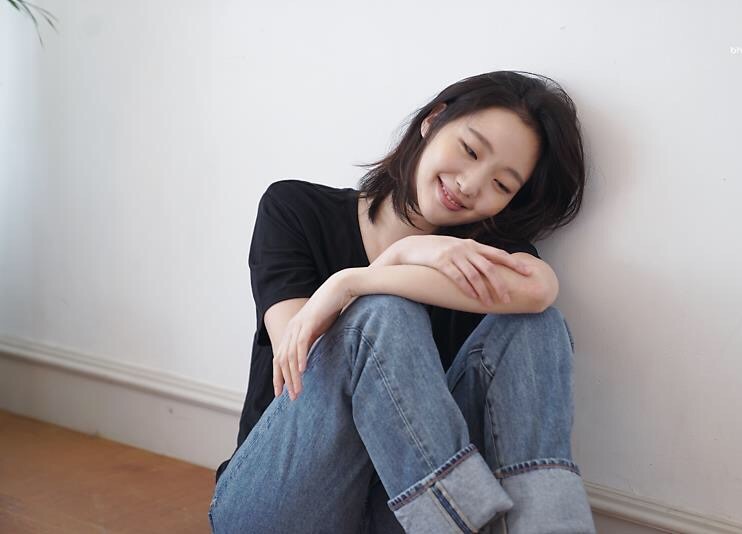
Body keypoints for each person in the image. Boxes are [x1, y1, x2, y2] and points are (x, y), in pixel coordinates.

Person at [208, 70, 596, 534]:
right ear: (432, 120)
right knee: (383, 313)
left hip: (396, 514)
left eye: (502, 185)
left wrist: (355, 280)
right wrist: (393, 264)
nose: (471, 184)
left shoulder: (474, 259)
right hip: (279, 502)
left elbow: (539, 291)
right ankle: (456, 523)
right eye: (471, 150)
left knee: (536, 324)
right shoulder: (295, 208)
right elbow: (298, 353)